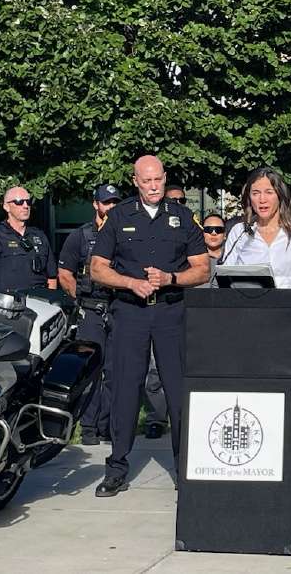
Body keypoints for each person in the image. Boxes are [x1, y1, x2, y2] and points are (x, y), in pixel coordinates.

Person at [88, 156, 210, 498]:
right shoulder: (118, 216)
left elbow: (202, 270)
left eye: (158, 179)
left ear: (164, 178)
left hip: (172, 313)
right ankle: (116, 468)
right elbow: (97, 268)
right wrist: (130, 283)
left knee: (178, 392)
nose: (154, 185)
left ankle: (186, 469)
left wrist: (171, 278)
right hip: (130, 313)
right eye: (147, 180)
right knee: (126, 389)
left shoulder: (183, 217)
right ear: (136, 181)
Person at [56, 184, 121, 445]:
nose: (111, 208)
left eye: (115, 203)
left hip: (118, 309)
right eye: (106, 203)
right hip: (91, 309)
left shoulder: (124, 235)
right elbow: (64, 273)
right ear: (96, 205)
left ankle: (108, 426)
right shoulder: (80, 236)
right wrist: (78, 300)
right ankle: (90, 427)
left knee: (116, 371)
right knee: (91, 370)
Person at [221, 168, 291, 306]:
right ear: (249, 198)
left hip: (289, 314)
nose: (262, 199)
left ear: (280, 195)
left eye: (269, 192)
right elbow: (226, 276)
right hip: (247, 313)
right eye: (256, 193)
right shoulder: (239, 232)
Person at [0, 186, 56, 300]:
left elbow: (52, 277)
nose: (25, 206)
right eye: (19, 202)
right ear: (6, 206)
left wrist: (50, 303)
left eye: (28, 202)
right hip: (7, 307)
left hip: (40, 305)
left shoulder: (40, 236)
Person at [198, 212, 227, 287]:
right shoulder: (193, 260)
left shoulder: (234, 258)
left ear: (225, 235)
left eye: (218, 229)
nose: (214, 233)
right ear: (202, 233)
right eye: (208, 229)